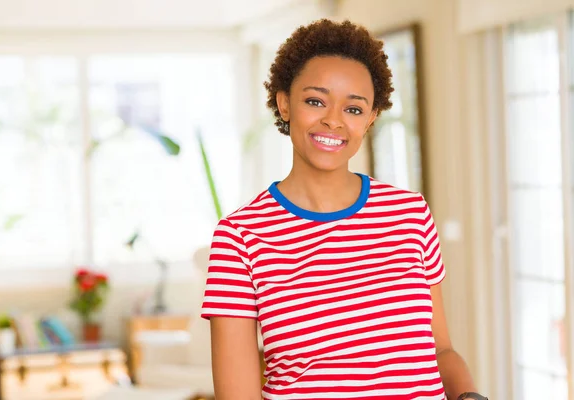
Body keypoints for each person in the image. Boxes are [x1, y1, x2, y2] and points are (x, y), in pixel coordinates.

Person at [200, 19, 487, 400]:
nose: (333, 120)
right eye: (315, 101)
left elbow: (440, 352)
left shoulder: (410, 214)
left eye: (354, 108)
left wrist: (469, 396)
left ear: (369, 119)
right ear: (284, 103)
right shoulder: (240, 238)